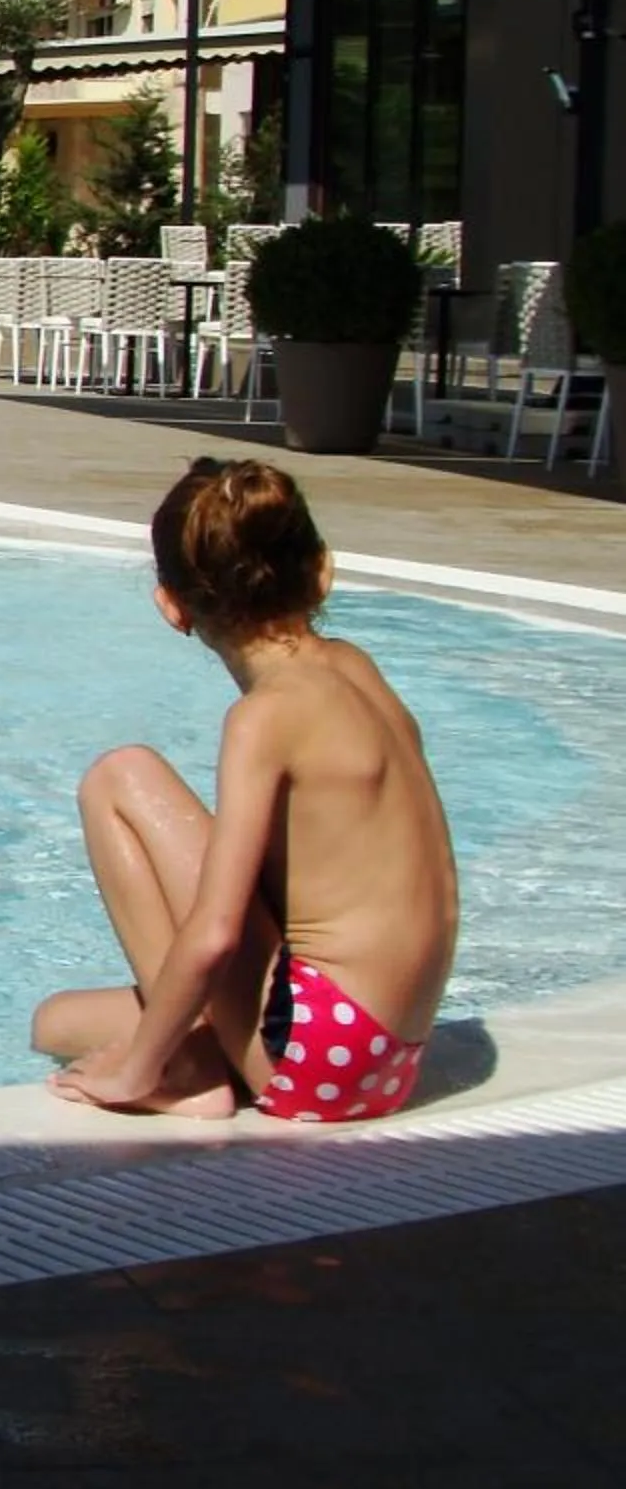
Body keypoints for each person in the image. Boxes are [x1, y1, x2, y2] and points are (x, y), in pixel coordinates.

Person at [35, 459, 459, 1122]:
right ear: (322, 570)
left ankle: (181, 1073)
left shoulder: (265, 718)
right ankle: (186, 1054)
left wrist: (134, 1074)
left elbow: (216, 933)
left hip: (316, 1060)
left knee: (121, 776)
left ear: (171, 607)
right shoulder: (356, 668)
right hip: (391, 1057)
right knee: (57, 1023)